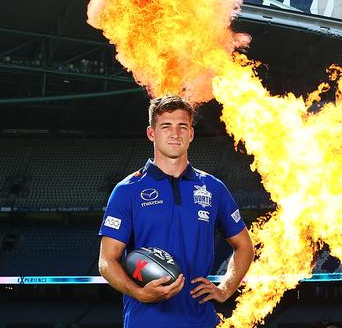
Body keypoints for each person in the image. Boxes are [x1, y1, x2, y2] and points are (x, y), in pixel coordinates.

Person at [98, 95, 254, 328]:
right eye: (166, 126)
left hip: (201, 320)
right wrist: (139, 293)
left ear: (191, 134)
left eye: (183, 126)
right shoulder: (127, 190)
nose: (175, 133)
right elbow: (107, 261)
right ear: (152, 133)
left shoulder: (213, 188)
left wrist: (225, 288)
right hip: (146, 321)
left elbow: (245, 246)